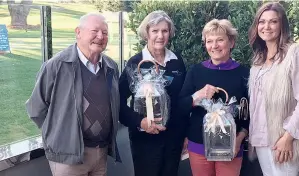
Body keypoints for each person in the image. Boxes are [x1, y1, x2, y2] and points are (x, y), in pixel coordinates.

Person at [25, 13, 121, 176]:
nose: (100, 36)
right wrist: (61, 135)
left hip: (101, 152)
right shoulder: (57, 66)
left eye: (105, 32)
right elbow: (35, 108)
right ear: (78, 32)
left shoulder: (111, 67)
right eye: (95, 31)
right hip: (69, 158)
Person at [247, 2, 299, 176]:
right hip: (262, 139)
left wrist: (288, 137)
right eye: (262, 22)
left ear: (282, 25)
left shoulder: (295, 54)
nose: (266, 26)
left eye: (273, 21)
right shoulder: (258, 62)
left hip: (286, 139)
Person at [119, 10, 187, 176]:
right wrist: (139, 122)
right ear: (146, 33)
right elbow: (118, 102)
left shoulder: (176, 62)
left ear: (169, 33)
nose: (160, 36)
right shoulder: (135, 63)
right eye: (155, 31)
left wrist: (185, 134)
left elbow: (182, 100)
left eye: (164, 31)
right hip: (145, 141)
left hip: (173, 139)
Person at [179, 19, 250, 176]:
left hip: (231, 146)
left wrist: (240, 138)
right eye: (209, 41)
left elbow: (250, 113)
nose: (214, 45)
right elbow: (180, 106)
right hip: (199, 146)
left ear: (231, 42)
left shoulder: (244, 74)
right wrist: (197, 96)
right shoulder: (196, 72)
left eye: (220, 40)